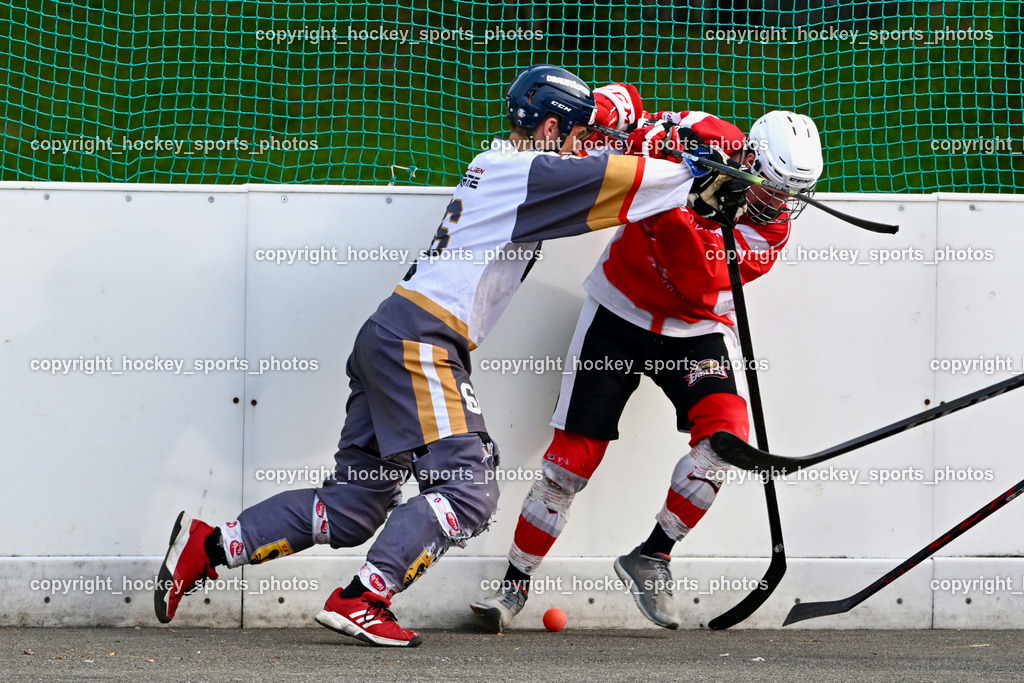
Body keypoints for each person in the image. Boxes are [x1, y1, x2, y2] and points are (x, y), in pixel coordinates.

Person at [154, 65, 741, 647]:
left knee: (354, 505)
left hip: (393, 334)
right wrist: (691, 170)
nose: (584, 143)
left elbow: (614, 132)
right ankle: (364, 598)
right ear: (550, 129)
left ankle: (207, 545)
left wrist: (653, 136)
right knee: (469, 490)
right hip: (421, 342)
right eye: (576, 132)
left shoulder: (510, 166)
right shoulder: (528, 170)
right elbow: (619, 176)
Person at [470, 85, 823, 632]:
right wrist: (623, 125)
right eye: (771, 188)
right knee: (569, 465)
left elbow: (698, 274)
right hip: (617, 311)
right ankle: (513, 586)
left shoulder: (770, 229)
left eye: (788, 195)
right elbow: (631, 107)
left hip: (693, 330)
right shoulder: (710, 133)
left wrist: (679, 201)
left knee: (725, 442)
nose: (776, 204)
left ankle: (653, 555)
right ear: (749, 156)